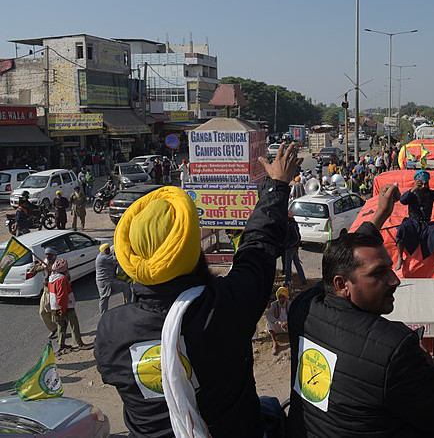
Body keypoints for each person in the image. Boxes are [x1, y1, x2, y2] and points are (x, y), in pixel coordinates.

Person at [94, 143, 301, 437]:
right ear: (192, 248)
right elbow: (257, 248)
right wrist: (277, 187)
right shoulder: (226, 306)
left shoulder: (110, 331)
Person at [287, 183, 434, 437]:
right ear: (342, 285)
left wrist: (380, 214)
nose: (395, 280)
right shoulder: (394, 347)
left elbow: (342, 260)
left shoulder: (303, 311)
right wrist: (431, 362)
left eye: (390, 268)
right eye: (379, 273)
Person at [395, 170, 434, 271]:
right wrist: (413, 189)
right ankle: (400, 257)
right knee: (402, 229)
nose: (424, 186)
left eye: (426, 183)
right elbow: (403, 200)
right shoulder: (412, 193)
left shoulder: (430, 193)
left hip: (426, 224)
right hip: (413, 222)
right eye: (422, 184)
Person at [48, 258, 93, 355]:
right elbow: (62, 296)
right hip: (65, 307)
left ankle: (61, 344)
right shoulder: (61, 279)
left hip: (55, 306)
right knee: (74, 325)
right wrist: (63, 310)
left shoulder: (51, 277)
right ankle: (79, 344)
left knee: (61, 326)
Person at [28, 248, 59, 339]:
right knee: (43, 312)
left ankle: (61, 332)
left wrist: (52, 270)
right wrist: (41, 267)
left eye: (50, 255)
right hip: (46, 290)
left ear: (54, 255)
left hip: (54, 290)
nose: (48, 257)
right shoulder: (44, 262)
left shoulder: (58, 263)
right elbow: (32, 270)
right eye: (46, 255)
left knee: (55, 313)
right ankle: (54, 329)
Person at [95, 243, 131, 315]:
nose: (108, 250)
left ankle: (103, 314)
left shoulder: (104, 255)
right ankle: (128, 305)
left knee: (104, 298)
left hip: (106, 280)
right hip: (106, 281)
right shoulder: (103, 258)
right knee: (105, 297)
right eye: (106, 250)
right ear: (102, 251)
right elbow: (117, 259)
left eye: (108, 249)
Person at [266, 286, 291, 355]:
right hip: (278, 325)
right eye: (280, 297)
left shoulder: (289, 303)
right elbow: (269, 315)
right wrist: (279, 322)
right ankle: (274, 342)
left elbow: (294, 315)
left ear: (286, 297)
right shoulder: (274, 304)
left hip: (287, 325)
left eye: (283, 297)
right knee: (269, 322)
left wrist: (287, 322)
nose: (281, 298)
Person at [284, 210, 307, 286]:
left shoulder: (292, 225)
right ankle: (303, 279)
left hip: (291, 248)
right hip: (292, 247)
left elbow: (297, 237)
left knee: (288, 265)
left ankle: (287, 282)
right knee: (297, 263)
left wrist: (290, 245)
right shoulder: (290, 224)